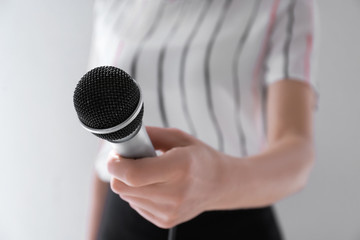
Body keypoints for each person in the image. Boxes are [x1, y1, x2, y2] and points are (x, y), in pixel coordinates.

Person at [86, 0, 319, 239]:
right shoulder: (112, 5)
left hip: (234, 216)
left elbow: (297, 152)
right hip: (123, 219)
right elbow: (104, 141)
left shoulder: (282, 4)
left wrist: (219, 180)